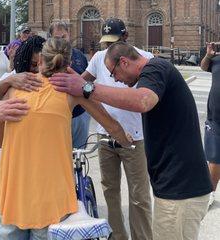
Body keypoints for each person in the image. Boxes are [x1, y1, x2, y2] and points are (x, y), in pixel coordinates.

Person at [50, 41, 213, 240]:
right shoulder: (152, 73)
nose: (116, 80)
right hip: (175, 189)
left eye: (113, 73)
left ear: (124, 62)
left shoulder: (155, 68)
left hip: (180, 191)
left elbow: (143, 101)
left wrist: (87, 88)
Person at [0, 38, 132, 240]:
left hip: (12, 194)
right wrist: (127, 141)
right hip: (51, 199)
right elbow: (111, 125)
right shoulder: (72, 94)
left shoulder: (14, 90)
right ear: (68, 65)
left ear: (39, 61)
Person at [82, 18, 152, 240]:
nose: (108, 47)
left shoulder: (145, 59)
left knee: (139, 195)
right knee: (110, 191)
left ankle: (141, 237)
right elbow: (83, 82)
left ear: (125, 38)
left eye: (113, 42)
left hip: (135, 137)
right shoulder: (99, 58)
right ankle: (117, 236)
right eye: (106, 42)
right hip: (105, 136)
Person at [0, 36, 45, 240]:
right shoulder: (14, 77)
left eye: (40, 64)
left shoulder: (42, 80)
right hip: (2, 151)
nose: (36, 69)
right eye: (33, 64)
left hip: (25, 154)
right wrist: (11, 79)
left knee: (16, 208)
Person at [49, 21, 90, 148]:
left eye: (64, 37)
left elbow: (89, 82)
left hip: (80, 113)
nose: (61, 40)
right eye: (57, 38)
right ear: (50, 38)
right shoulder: (46, 57)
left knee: (79, 155)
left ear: (69, 35)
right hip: (56, 114)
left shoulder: (80, 56)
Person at [200, 42, 220, 207]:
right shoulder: (216, 58)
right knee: (214, 158)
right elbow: (203, 67)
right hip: (215, 118)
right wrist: (208, 54)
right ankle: (210, 193)